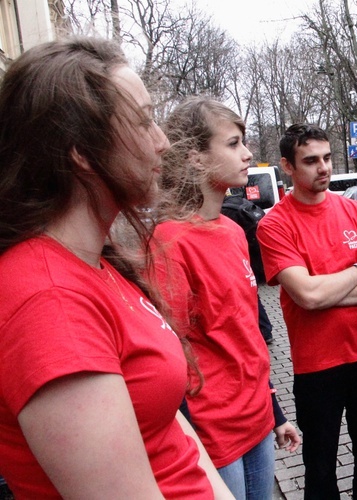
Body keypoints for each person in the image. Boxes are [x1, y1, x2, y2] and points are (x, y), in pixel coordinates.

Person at [0, 37, 231, 498]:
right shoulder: (51, 304)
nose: (162, 142)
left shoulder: (98, 264)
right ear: (81, 153)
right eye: (144, 122)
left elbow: (167, 427)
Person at [152, 96, 300, 500]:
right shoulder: (170, 241)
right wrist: (188, 443)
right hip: (212, 431)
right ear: (197, 159)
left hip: (256, 420)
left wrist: (276, 413)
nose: (248, 153)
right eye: (233, 143)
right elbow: (171, 355)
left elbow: (246, 334)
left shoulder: (233, 231)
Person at [256, 124, 357, 499]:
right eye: (310, 161)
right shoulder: (275, 224)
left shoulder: (353, 210)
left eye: (327, 158)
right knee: (320, 466)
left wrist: (324, 291)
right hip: (317, 364)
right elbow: (306, 296)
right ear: (288, 166)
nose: (323, 168)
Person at [221, 189, 275, 344]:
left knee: (251, 295)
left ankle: (264, 331)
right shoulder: (239, 202)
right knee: (253, 294)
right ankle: (265, 330)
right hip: (253, 257)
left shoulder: (224, 211)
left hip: (241, 259)